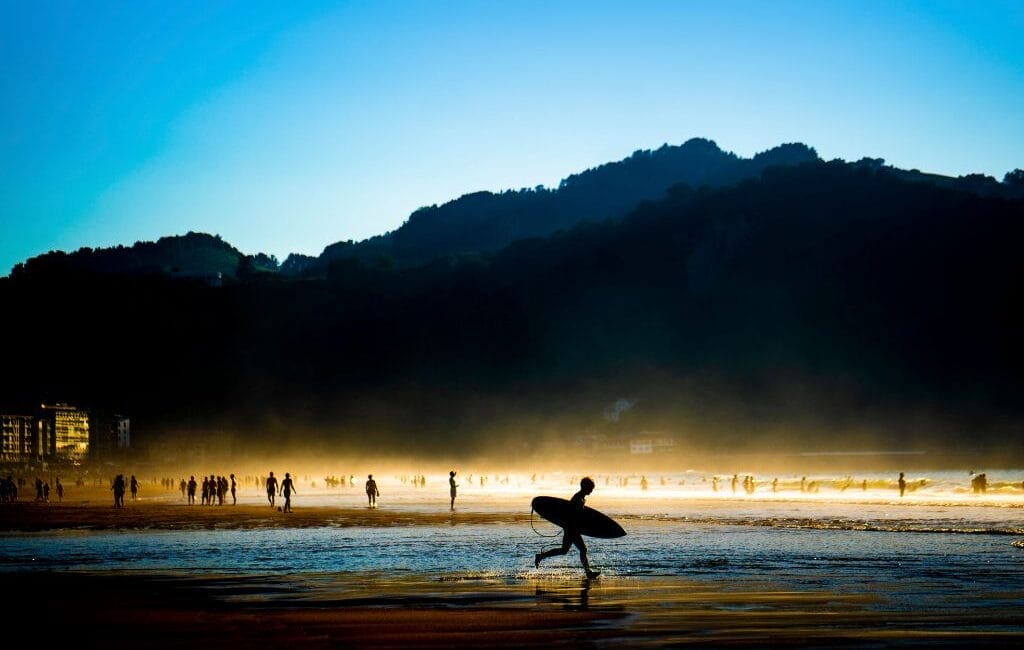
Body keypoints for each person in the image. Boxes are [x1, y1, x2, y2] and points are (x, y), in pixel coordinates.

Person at [534, 476, 600, 579]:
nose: (592, 491)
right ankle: (588, 572)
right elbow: (571, 514)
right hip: (572, 528)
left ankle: (541, 556)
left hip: (572, 528)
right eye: (591, 488)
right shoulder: (578, 498)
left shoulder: (581, 498)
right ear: (585, 487)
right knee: (583, 549)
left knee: (564, 550)